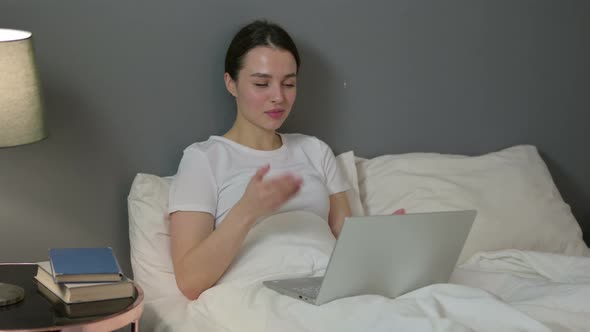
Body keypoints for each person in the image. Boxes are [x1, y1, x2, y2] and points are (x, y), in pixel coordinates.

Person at [168, 20, 352, 301]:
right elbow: (190, 281)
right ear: (231, 83)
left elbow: (350, 243)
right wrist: (248, 210)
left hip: (330, 290)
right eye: (261, 83)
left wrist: (386, 241)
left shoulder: (315, 151)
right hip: (257, 294)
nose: (278, 97)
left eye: (289, 84)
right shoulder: (204, 159)